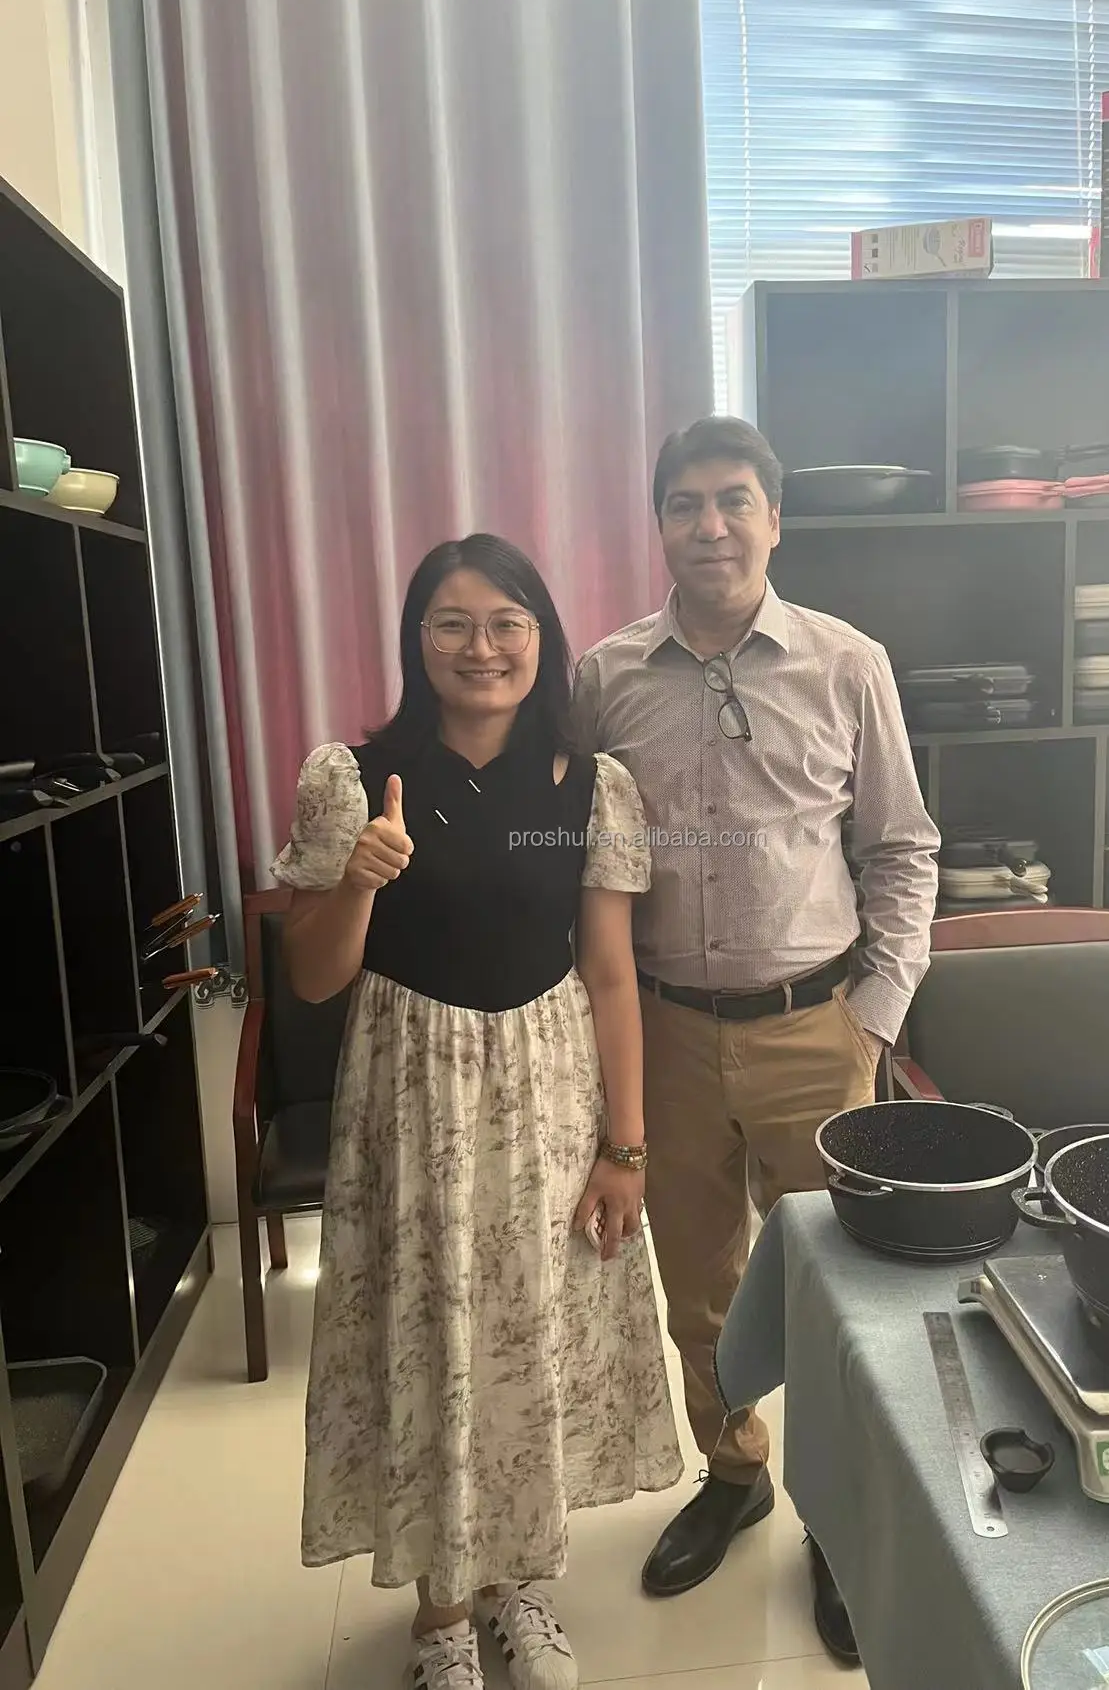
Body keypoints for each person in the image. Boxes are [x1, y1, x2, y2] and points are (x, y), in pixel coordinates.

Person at [272, 534, 684, 1690]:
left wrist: (625, 1147)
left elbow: (610, 973)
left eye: (506, 622)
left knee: (529, 1331)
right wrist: (358, 878)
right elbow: (313, 978)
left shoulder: (590, 784)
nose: (481, 647)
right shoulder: (353, 777)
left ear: (541, 637)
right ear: (418, 641)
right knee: (430, 1333)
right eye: (451, 623)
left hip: (547, 1090)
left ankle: (516, 1583)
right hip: (411, 1096)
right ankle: (440, 1610)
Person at [572, 416, 939, 1668]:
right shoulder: (606, 676)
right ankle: (733, 1474)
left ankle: (836, 1523)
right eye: (685, 503)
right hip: (666, 1033)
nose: (711, 525)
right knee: (701, 1286)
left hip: (813, 1028)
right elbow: (575, 856)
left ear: (775, 519)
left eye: (734, 500)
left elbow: (901, 848)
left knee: (838, 1296)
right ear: (658, 524)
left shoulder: (847, 663)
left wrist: (874, 1012)